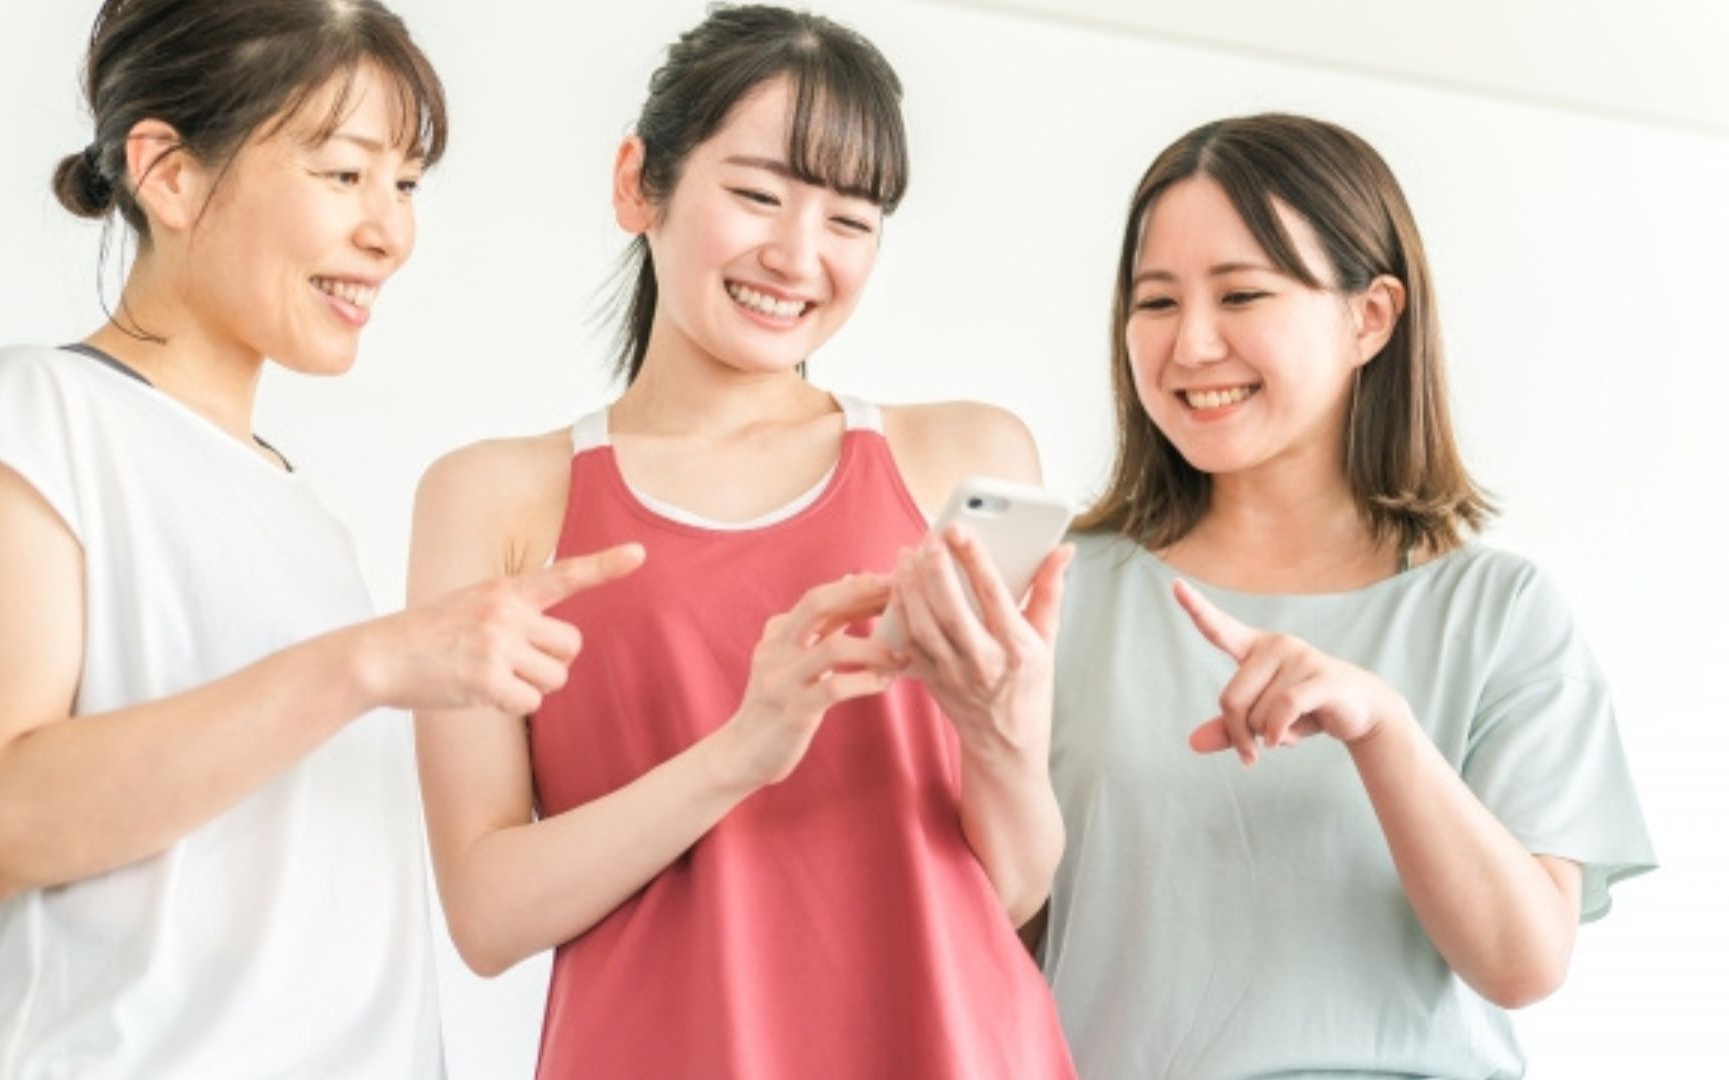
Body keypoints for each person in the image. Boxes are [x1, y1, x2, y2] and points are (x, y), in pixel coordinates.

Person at [0, 1, 638, 1075]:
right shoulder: (36, 410)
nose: (389, 230)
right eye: (344, 174)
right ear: (168, 173)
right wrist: (376, 659)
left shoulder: (308, 521)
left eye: (405, 184)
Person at [407, 6, 1076, 1078]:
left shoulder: (962, 455)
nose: (798, 256)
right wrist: (741, 752)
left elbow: (1011, 885)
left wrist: (997, 730)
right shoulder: (494, 498)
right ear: (639, 183)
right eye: (758, 194)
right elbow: (488, 915)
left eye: (851, 220)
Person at [1037, 113, 1657, 1077]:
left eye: (1241, 293)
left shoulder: (1499, 614)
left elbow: (1523, 962)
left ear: (1370, 316)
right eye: (1155, 303)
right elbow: (992, 928)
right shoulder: (1058, 591)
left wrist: (1383, 729)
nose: (1191, 345)